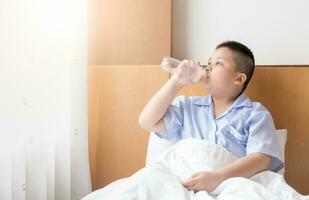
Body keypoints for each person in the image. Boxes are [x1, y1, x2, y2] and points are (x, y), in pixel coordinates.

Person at [138, 41, 283, 193]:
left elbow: (261, 160)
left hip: (232, 188)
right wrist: (177, 81)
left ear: (238, 79)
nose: (208, 67)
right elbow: (147, 121)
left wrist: (217, 178)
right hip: (185, 186)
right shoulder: (188, 107)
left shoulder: (255, 114)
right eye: (208, 62)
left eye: (218, 63)